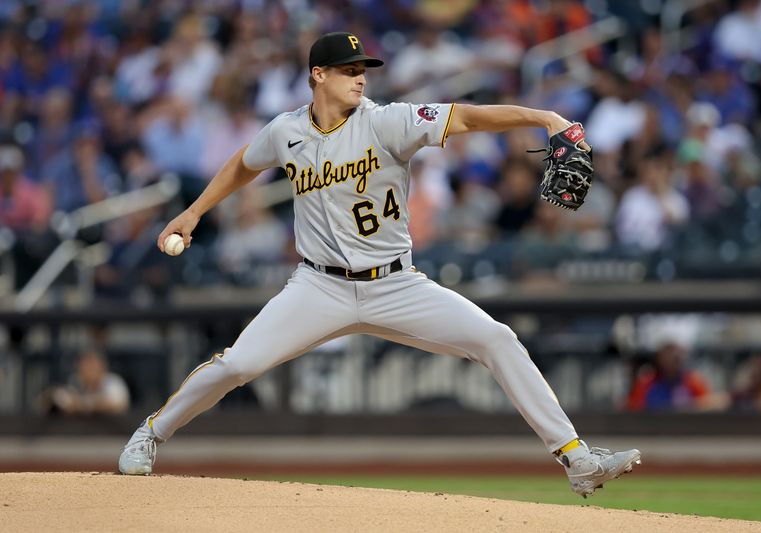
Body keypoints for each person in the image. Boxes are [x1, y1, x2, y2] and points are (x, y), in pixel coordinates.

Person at [118, 32, 641, 497]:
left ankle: (577, 459)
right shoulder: (286, 131)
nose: (359, 79)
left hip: (396, 285)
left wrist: (544, 117)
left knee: (497, 338)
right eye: (348, 71)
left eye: (363, 71)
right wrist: (192, 213)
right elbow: (242, 164)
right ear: (317, 75)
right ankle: (151, 433)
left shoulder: (390, 120)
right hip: (318, 287)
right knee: (238, 366)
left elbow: (468, 115)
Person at [42, 348, 130, 416]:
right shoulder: (76, 382)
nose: (88, 370)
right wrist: (54, 397)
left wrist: (83, 405)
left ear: (102, 367)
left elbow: (118, 405)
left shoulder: (113, 381)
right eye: (84, 365)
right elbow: (62, 399)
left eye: (92, 365)